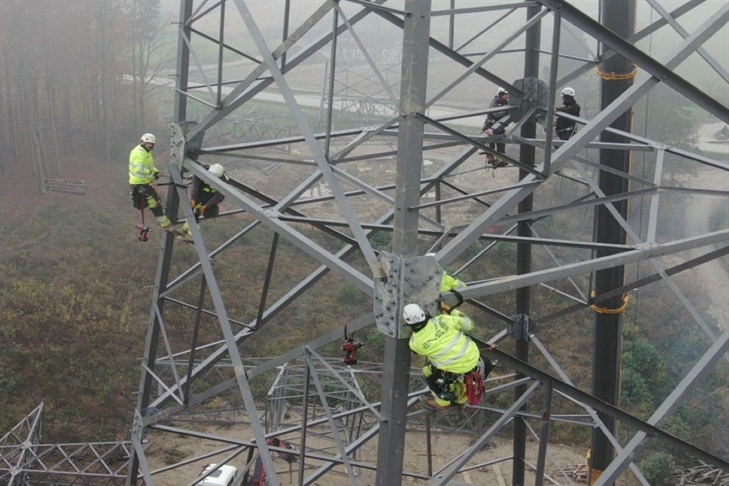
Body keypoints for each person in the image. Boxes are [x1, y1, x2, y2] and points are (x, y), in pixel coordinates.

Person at [403, 303, 485, 411]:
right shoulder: (443, 320)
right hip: (473, 358)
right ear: (424, 314)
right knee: (456, 371)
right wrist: (450, 309)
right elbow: (469, 324)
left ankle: (443, 402)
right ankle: (464, 391)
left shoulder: (415, 343)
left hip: (455, 368)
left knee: (427, 371)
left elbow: (416, 349)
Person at [129, 133, 177, 233]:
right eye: (148, 144)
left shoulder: (146, 152)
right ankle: (166, 225)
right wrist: (152, 175)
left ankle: (166, 224)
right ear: (143, 142)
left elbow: (149, 167)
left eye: (151, 144)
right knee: (154, 203)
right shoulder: (139, 153)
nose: (150, 146)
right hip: (140, 183)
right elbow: (139, 170)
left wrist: (155, 171)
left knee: (155, 202)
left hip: (143, 182)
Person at [177, 163, 230, 242]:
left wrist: (206, 205)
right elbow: (195, 185)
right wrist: (193, 199)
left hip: (210, 195)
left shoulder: (223, 180)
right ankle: (185, 229)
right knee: (193, 210)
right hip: (201, 190)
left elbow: (218, 196)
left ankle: (192, 235)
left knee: (196, 212)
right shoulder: (202, 170)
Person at [481, 87, 510, 168]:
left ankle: (501, 159)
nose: (507, 96)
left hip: (500, 126)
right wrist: (509, 110)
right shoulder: (494, 103)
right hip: (491, 126)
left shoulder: (506, 103)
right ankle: (494, 160)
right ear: (500, 95)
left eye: (508, 95)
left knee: (501, 143)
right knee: (491, 144)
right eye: (505, 95)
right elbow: (496, 114)